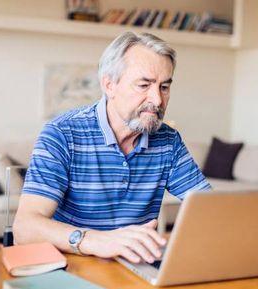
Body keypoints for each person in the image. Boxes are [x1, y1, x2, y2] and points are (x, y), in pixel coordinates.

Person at [13, 32, 211, 264]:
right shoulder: (62, 133)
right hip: (74, 267)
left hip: (139, 268)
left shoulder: (168, 140)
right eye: (144, 85)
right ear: (109, 85)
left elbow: (208, 210)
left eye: (164, 87)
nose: (157, 100)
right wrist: (97, 241)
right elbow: (25, 228)